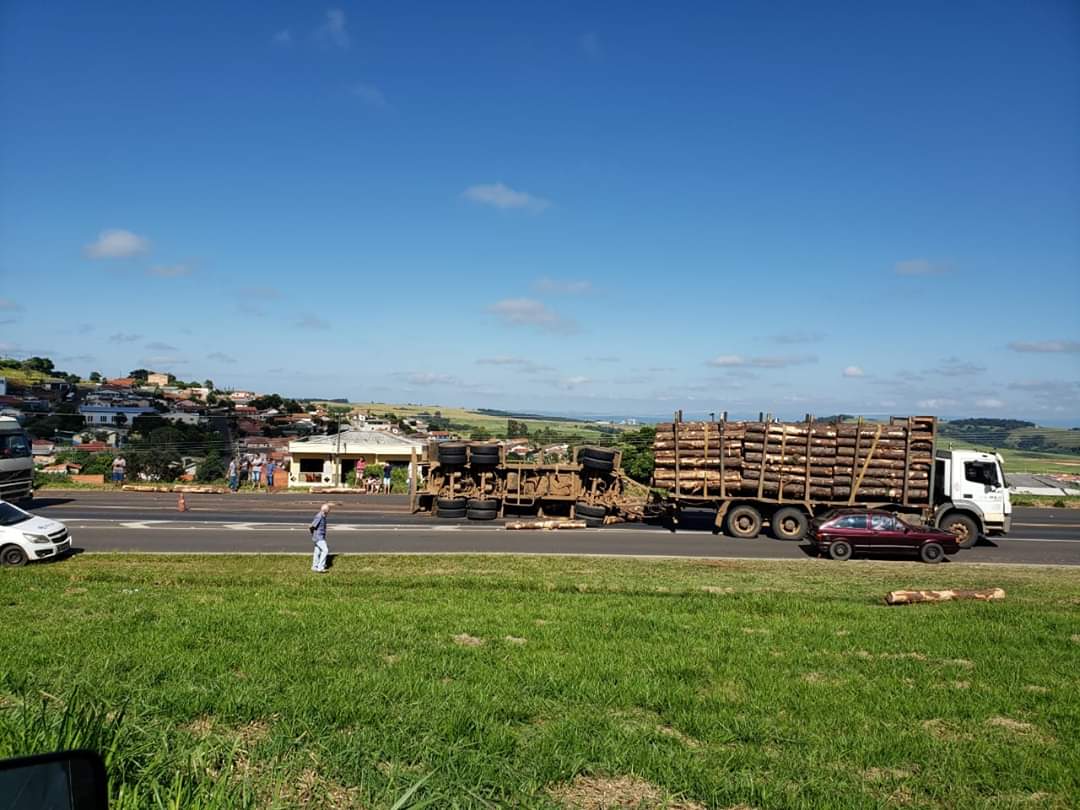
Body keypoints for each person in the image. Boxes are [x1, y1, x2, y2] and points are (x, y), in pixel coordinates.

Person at [309, 503, 331, 573]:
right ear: (325, 510)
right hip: (318, 537)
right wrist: (313, 534)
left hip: (320, 536)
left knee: (317, 552)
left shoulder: (323, 516)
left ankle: (314, 566)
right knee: (325, 550)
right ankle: (320, 567)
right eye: (328, 510)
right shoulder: (319, 516)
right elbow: (312, 526)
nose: (329, 512)